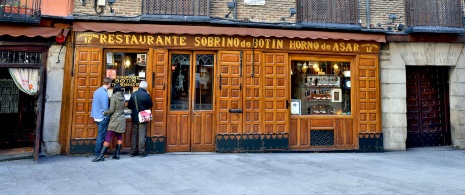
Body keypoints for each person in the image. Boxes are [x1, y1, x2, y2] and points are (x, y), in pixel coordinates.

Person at [93, 84, 126, 162]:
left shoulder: (114, 96)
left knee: (108, 136)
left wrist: (105, 113)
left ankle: (101, 155)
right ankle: (117, 154)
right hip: (122, 118)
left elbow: (111, 110)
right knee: (119, 136)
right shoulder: (123, 96)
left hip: (115, 119)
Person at [128, 81, 153, 158]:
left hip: (135, 116)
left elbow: (129, 106)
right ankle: (141, 151)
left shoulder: (133, 94)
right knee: (142, 134)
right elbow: (150, 105)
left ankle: (133, 151)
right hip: (143, 117)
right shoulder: (146, 95)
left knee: (134, 134)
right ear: (145, 87)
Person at [90, 77, 112, 161]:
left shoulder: (97, 91)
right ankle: (98, 154)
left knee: (100, 135)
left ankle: (101, 153)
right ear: (109, 83)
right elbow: (105, 107)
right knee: (101, 136)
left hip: (96, 115)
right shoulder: (104, 93)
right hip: (102, 116)